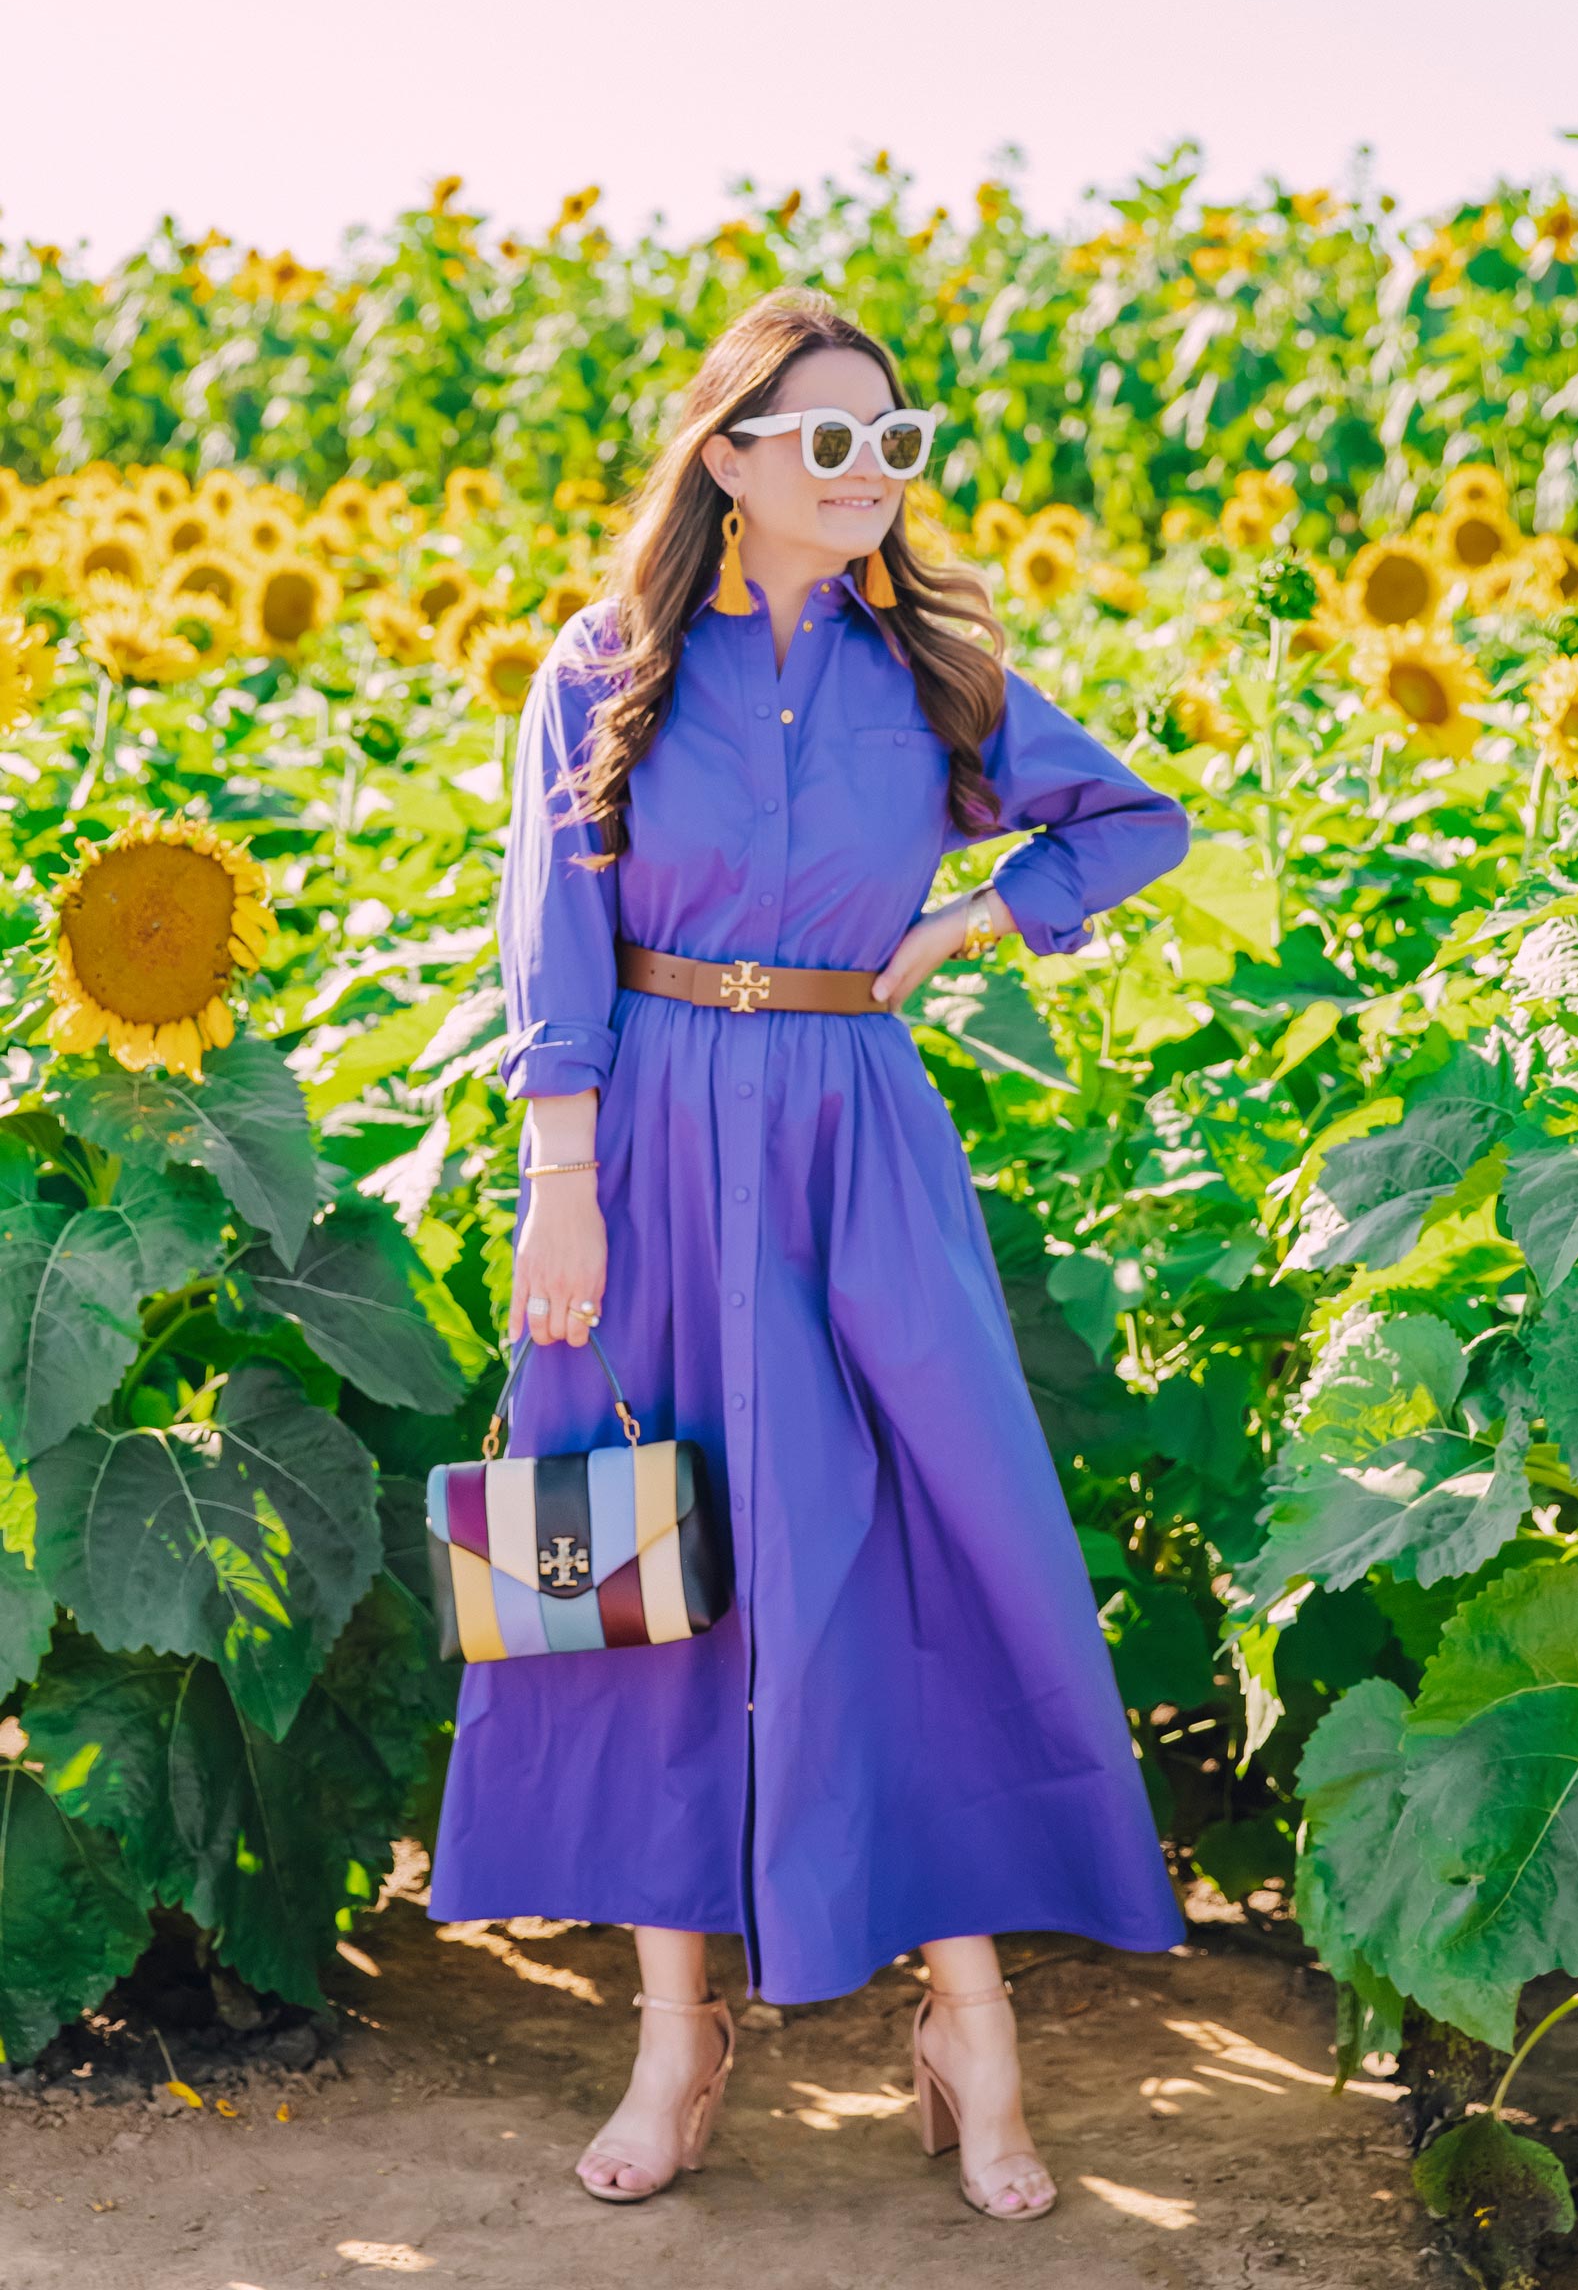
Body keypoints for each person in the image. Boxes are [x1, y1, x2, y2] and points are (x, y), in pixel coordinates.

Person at [427, 287, 1191, 2221]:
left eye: (894, 442)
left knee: (930, 1540)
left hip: (857, 1135)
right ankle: (678, 2033)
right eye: (827, 441)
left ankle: (968, 2015)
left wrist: (973, 923)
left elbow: (1136, 820)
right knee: (637, 1562)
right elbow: (555, 941)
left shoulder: (931, 670)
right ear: (729, 459)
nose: (869, 476)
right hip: (651, 1142)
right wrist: (563, 1179)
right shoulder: (600, 669)